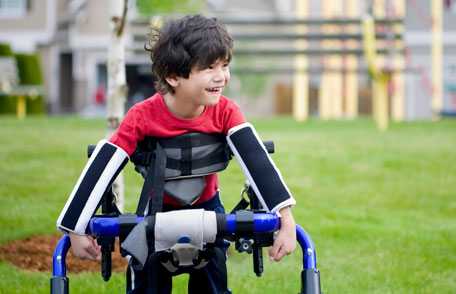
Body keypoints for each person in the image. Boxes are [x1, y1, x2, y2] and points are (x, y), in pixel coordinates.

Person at [56, 15, 296, 294]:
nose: (221, 76)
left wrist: (285, 219)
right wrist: (75, 227)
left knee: (213, 282)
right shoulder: (142, 116)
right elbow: (105, 163)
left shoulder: (226, 111)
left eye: (225, 65)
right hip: (156, 213)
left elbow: (257, 162)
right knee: (148, 283)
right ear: (173, 76)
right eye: (209, 67)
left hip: (208, 210)